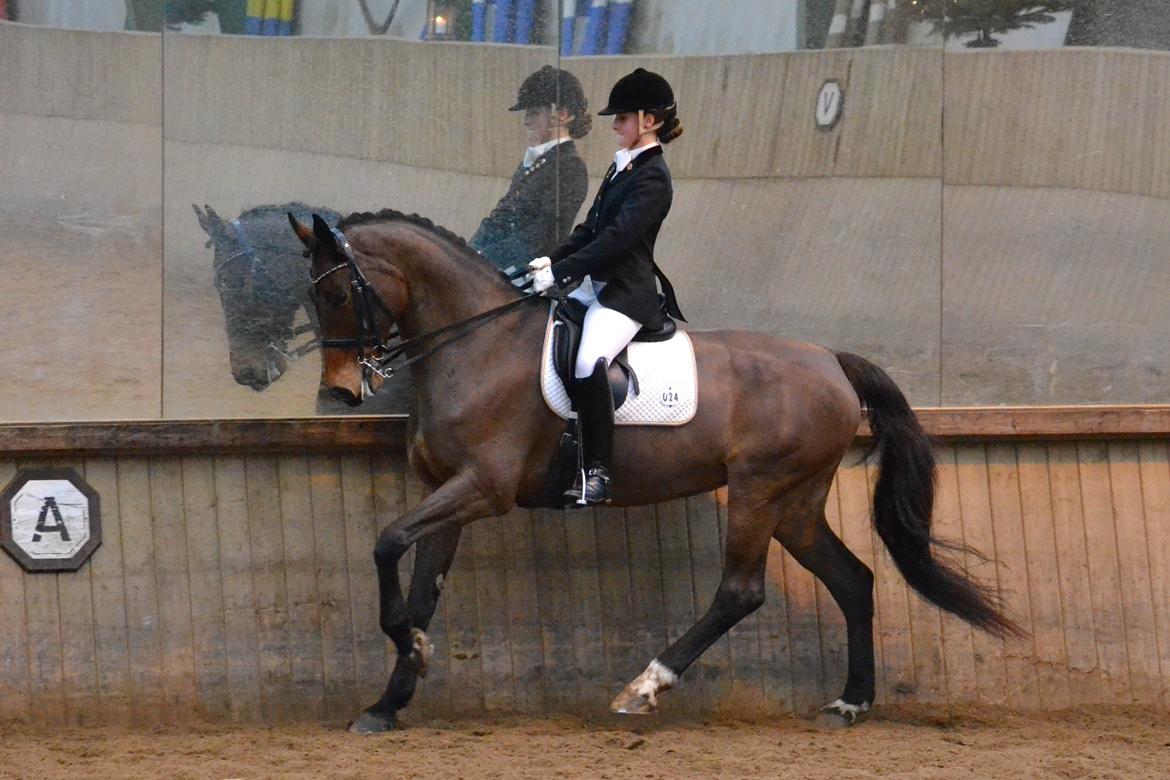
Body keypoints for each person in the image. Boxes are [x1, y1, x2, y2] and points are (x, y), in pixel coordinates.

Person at [529, 68, 685, 506]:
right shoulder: (623, 168)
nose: (614, 125)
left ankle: (597, 472)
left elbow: (616, 241)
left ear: (649, 121)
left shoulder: (654, 177)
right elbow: (590, 228)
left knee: (588, 360)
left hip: (623, 294)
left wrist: (564, 272)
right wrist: (553, 259)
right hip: (594, 286)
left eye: (622, 118)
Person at [470, 66, 590, 275]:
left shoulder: (570, 167)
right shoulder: (534, 160)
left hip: (533, 273)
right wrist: (469, 251)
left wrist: (486, 258)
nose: (526, 120)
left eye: (534, 113)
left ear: (563, 115)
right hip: (503, 266)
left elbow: (544, 234)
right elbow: (502, 216)